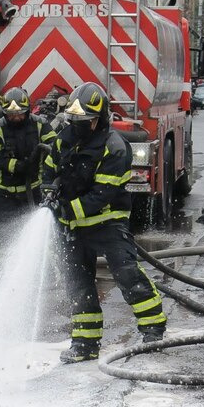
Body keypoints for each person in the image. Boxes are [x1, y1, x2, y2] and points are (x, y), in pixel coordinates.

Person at [41, 82, 168, 364]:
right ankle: (85, 344)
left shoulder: (115, 147)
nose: (79, 125)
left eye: (85, 121)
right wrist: (49, 191)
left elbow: (102, 194)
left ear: (99, 119)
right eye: (75, 120)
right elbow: (48, 170)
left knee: (127, 276)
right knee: (79, 285)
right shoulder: (63, 139)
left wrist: (66, 209)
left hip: (107, 224)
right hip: (72, 227)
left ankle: (153, 331)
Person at [0, 86, 56, 252]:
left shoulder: (40, 125)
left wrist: (45, 165)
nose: (16, 118)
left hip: (33, 190)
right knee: (1, 239)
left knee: (35, 236)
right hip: (4, 194)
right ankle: (0, 271)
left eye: (19, 114)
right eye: (11, 115)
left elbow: (54, 147)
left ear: (28, 110)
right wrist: (19, 166)